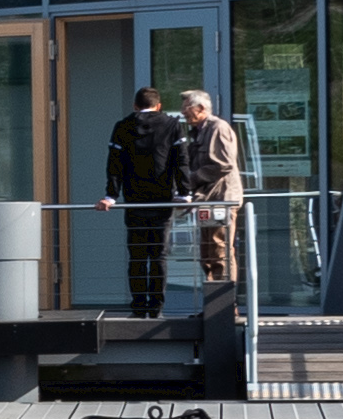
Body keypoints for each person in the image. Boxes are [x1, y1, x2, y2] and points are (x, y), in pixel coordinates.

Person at [101, 85, 196, 307]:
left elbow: (114, 164)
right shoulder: (172, 125)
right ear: (159, 105)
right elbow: (181, 160)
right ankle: (156, 306)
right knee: (159, 255)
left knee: (137, 255)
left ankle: (138, 304)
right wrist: (184, 192)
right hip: (162, 198)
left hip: (133, 200)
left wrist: (111, 195)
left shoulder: (122, 127)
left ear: (135, 106)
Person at [178, 87, 251, 315]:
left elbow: (223, 164)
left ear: (201, 109)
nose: (183, 112)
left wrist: (190, 180)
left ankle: (225, 308)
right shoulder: (199, 131)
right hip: (208, 200)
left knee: (220, 251)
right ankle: (213, 307)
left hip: (222, 200)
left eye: (186, 107)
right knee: (207, 253)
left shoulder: (218, 128)